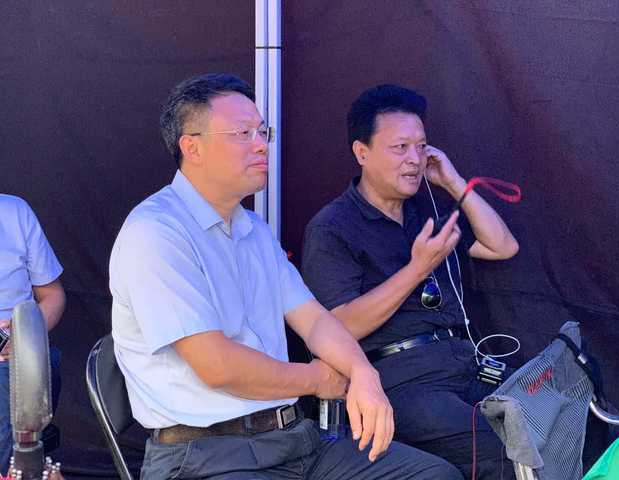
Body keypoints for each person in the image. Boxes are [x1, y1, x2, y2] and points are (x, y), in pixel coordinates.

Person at [109, 73, 463, 480]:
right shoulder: (156, 232)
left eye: (262, 131)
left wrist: (363, 373)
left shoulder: (254, 230)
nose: (261, 144)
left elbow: (313, 320)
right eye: (242, 133)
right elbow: (217, 365)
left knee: (434, 475)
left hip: (292, 441)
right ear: (193, 147)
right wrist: (316, 379)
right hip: (205, 456)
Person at [301, 84, 520, 480]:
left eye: (421, 147)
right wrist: (417, 269)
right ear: (362, 152)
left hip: (462, 362)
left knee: (544, 420)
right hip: (400, 379)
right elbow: (337, 326)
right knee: (501, 448)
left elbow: (501, 246)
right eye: (400, 148)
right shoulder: (332, 227)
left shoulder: (425, 208)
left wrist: (454, 182)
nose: (414, 160)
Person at [0, 194, 65, 473]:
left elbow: (53, 296)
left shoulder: (14, 211)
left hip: (13, 362)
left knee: (21, 380)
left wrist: (25, 334)